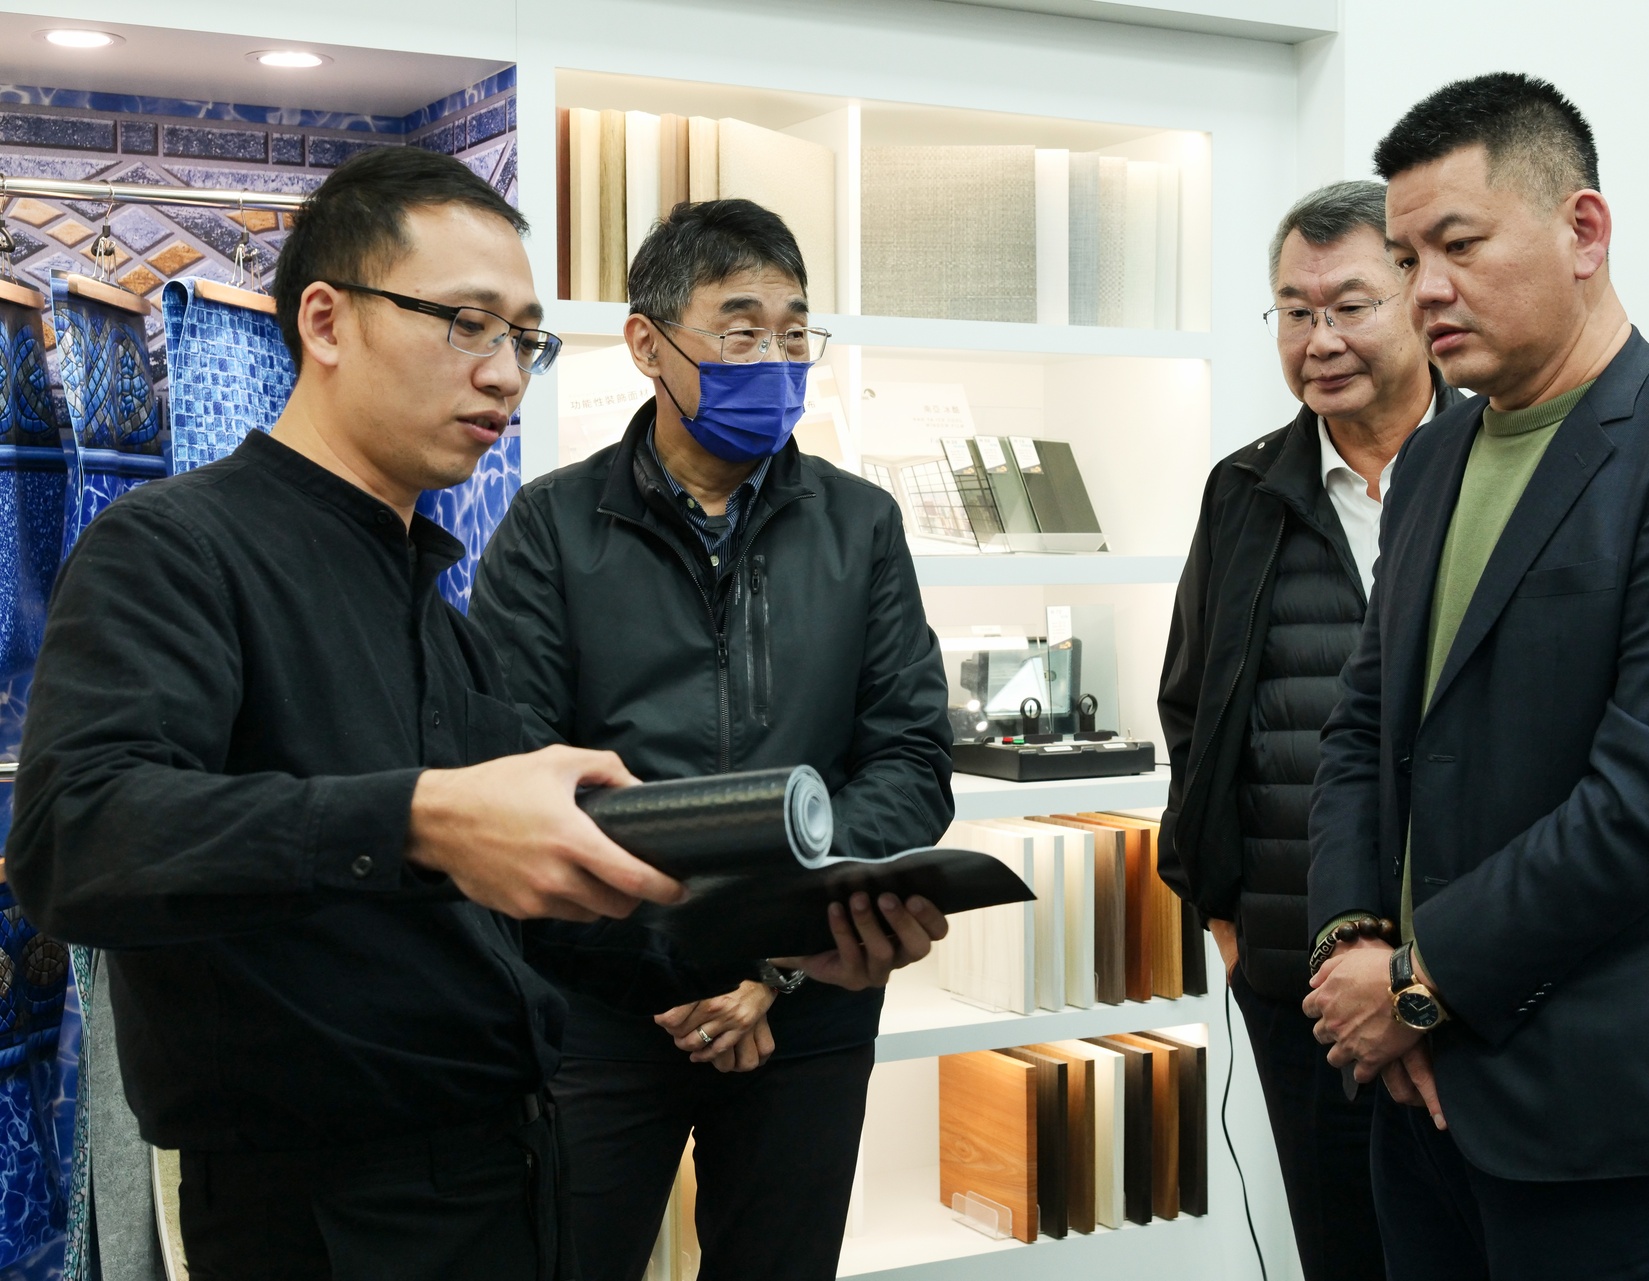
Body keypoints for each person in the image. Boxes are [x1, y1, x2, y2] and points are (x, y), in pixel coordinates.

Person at [4, 147, 687, 1279]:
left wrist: (780, 930)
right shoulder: (173, 550)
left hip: (506, 1181)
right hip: (323, 1220)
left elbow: (529, 922)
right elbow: (78, 837)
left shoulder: (434, 608)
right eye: (468, 323)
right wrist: (417, 819)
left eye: (526, 339)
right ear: (326, 321)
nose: (506, 375)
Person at [1304, 73, 1649, 1279]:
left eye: (1459, 245)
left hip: (1590, 1110)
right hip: (1414, 1096)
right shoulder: (1434, 458)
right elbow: (1364, 730)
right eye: (1407, 257)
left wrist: (1416, 988)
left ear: (1583, 231)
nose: (1426, 289)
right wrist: (1351, 947)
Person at [468, 198, 952, 1281]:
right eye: (739, 332)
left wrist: (771, 961)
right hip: (603, 1007)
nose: (774, 360)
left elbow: (911, 760)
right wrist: (680, 959)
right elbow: (519, 778)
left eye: (794, 332)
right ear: (648, 344)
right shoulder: (551, 527)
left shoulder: (861, 524)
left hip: (809, 1001)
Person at [1156, 179, 1456, 1281]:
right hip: (1304, 988)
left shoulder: (1503, 467)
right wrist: (1228, 920)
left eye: (1350, 306)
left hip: (1469, 977)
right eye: (1295, 311)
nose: (1320, 339)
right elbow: (1193, 711)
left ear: (1419, 295)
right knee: (1343, 1255)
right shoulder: (1244, 490)